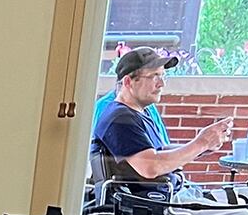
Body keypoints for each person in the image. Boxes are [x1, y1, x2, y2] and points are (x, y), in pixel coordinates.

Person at [92, 47, 229, 200]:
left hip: (174, 193)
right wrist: (201, 143)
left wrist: (203, 147)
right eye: (154, 76)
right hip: (154, 205)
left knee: (246, 195)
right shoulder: (119, 119)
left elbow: (159, 150)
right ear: (128, 81)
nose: (162, 83)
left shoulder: (141, 111)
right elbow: (151, 167)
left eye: (163, 75)